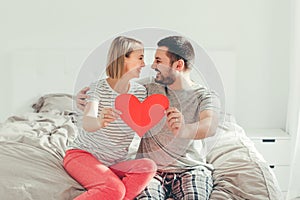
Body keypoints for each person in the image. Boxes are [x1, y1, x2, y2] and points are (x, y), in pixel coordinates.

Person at [76, 36, 220, 199]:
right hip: (152, 172)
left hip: (190, 169)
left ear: (178, 65)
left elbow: (210, 125)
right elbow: (113, 86)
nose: (152, 66)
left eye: (158, 61)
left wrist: (184, 129)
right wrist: (82, 98)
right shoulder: (148, 87)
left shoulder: (205, 96)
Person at [64, 36, 157, 200]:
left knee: (148, 166)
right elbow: (88, 122)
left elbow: (143, 126)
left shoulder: (140, 92)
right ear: (123, 59)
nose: (144, 64)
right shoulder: (98, 88)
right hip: (83, 156)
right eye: (140, 58)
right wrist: (100, 121)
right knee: (114, 189)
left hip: (115, 163)